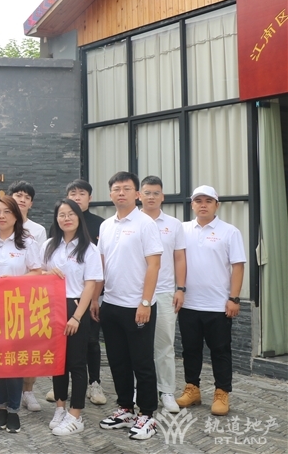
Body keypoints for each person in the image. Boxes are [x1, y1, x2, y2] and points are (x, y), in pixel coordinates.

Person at [96, 172, 163, 440]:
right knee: (118, 361)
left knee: (142, 362)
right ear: (110, 194)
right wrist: (97, 299)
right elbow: (101, 265)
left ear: (136, 194)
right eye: (116, 189)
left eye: (126, 188)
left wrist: (145, 302)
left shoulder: (146, 223)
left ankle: (147, 414)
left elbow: (154, 265)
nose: (121, 193)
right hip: (111, 304)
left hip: (138, 306)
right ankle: (125, 408)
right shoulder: (106, 225)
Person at [0, 196, 43, 434]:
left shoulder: (27, 243)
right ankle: (1, 407)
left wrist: (15, 281)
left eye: (6, 212)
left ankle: (14, 410)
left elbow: (37, 272)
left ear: (15, 215)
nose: (1, 216)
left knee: (14, 362)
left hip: (18, 310)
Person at [176, 185, 245, 416]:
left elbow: (238, 267)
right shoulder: (183, 229)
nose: (203, 205)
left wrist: (234, 298)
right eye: (198, 201)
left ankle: (222, 392)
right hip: (189, 303)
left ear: (217, 205)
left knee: (220, 350)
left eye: (208, 201)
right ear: (192, 205)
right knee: (190, 350)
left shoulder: (230, 232)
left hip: (218, 305)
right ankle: (192, 389)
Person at [43, 199, 103, 436]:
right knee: (58, 362)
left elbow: (90, 285)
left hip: (76, 307)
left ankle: (76, 415)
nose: (66, 218)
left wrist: (77, 317)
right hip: (52, 308)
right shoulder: (49, 245)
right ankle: (60, 407)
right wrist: (46, 272)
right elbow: (36, 273)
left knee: (77, 362)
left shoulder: (89, 248)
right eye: (61, 214)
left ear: (79, 217)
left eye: (71, 214)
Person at [139, 176, 186, 413]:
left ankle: (166, 390)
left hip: (166, 291)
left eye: (156, 193)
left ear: (163, 196)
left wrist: (180, 288)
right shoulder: (132, 222)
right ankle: (139, 389)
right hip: (136, 294)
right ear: (139, 195)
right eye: (147, 193)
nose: (151, 197)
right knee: (138, 346)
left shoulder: (174, 224)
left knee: (165, 344)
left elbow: (179, 258)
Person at [62, 178, 108, 406]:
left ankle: (94, 382)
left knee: (91, 340)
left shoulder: (101, 225)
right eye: (73, 193)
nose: (77, 197)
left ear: (90, 197)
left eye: (81, 193)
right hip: (65, 298)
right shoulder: (61, 225)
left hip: (92, 294)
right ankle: (63, 386)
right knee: (65, 341)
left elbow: (101, 265)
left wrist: (95, 299)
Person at [7, 180, 46, 412]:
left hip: (28, 297)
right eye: (18, 195)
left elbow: (38, 265)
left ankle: (28, 392)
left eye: (26, 197)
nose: (22, 200)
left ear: (31, 203)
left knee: (28, 347)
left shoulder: (37, 230)